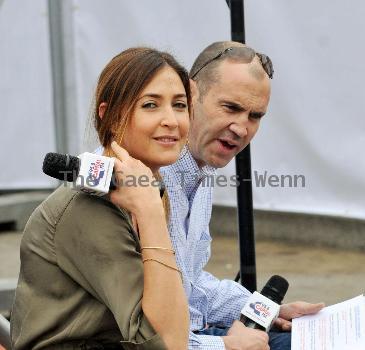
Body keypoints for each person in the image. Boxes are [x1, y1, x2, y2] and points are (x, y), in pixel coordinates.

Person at [11, 47, 192, 350]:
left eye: (180, 105)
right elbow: (170, 343)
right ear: (108, 115)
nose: (171, 120)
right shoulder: (88, 205)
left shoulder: (144, 191)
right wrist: (150, 213)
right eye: (150, 105)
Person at [160, 41, 325, 350]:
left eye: (255, 116)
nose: (241, 128)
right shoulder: (140, 179)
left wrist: (266, 310)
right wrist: (225, 347)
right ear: (190, 95)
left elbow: (191, 285)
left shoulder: (199, 171)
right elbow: (136, 333)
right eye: (231, 108)